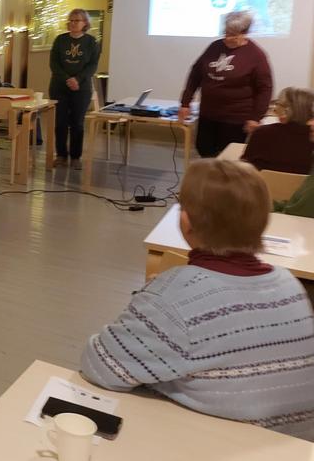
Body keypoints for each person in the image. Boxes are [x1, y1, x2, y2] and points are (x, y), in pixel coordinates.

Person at [81, 159, 314, 440]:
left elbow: (100, 367)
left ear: (186, 221)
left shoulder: (173, 298)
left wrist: (151, 302)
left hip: (216, 444)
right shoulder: (291, 284)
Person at [178, 10, 273, 158]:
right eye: (226, 33)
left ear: (245, 33)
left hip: (236, 118)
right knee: (204, 150)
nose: (228, 38)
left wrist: (256, 117)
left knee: (227, 157)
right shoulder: (214, 47)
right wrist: (185, 102)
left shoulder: (256, 55)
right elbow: (195, 74)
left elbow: (265, 88)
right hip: (208, 113)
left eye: (233, 35)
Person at [48, 8, 100, 169]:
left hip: (81, 88)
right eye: (71, 20)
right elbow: (54, 63)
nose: (73, 23)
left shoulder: (91, 42)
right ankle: (61, 155)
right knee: (60, 122)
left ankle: (76, 157)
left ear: (85, 23)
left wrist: (77, 79)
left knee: (77, 123)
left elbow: (92, 66)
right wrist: (67, 79)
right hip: (59, 86)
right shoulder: (60, 40)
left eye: (77, 20)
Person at [242, 87, 314, 174]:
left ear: (287, 110)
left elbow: (245, 168)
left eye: (278, 104)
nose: (275, 109)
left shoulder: (262, 133)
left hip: (264, 182)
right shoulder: (311, 136)